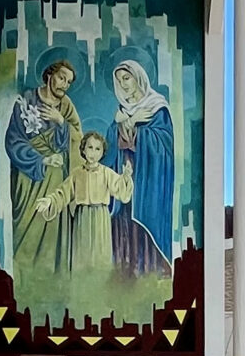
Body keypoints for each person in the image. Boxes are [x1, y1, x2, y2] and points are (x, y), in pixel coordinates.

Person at [5, 58, 80, 284]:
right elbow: (13, 141)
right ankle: (25, 282)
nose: (64, 85)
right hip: (29, 178)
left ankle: (51, 282)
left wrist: (61, 123)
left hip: (56, 179)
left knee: (53, 230)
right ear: (49, 75)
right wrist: (42, 159)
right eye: (61, 78)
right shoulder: (27, 100)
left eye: (68, 82)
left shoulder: (66, 106)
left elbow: (79, 141)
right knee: (28, 230)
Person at [109, 57, 175, 279]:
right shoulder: (121, 112)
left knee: (143, 230)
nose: (124, 84)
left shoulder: (157, 108)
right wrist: (123, 125)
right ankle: (124, 275)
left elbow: (164, 145)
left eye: (127, 78)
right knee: (123, 226)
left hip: (148, 181)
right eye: (119, 81)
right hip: (125, 180)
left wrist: (136, 130)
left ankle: (148, 273)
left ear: (138, 78)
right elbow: (109, 146)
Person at [63, 133, 134, 274]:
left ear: (102, 152)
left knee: (100, 255)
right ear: (83, 150)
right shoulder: (77, 173)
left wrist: (126, 177)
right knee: (82, 255)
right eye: (90, 147)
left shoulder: (107, 173)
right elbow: (64, 192)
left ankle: (100, 290)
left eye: (97, 149)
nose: (93, 153)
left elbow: (121, 192)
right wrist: (49, 201)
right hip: (82, 217)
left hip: (100, 217)